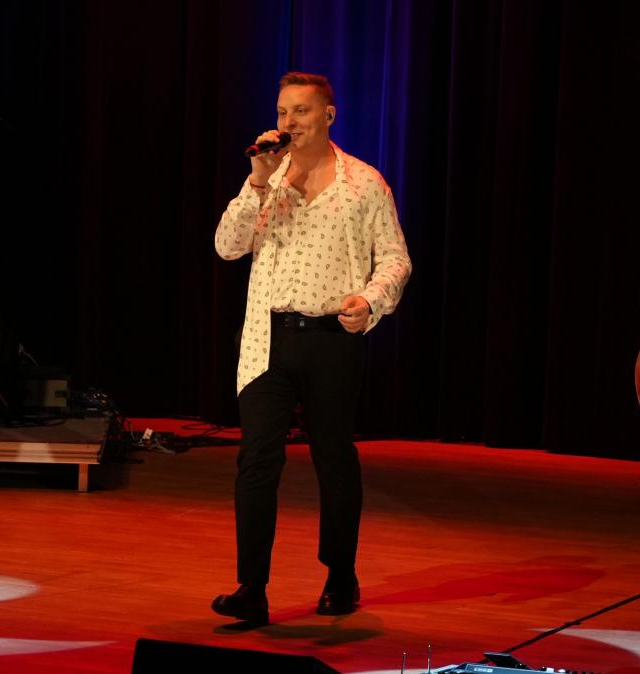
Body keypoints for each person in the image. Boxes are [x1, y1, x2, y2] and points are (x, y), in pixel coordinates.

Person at [211, 72, 412, 624]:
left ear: (328, 115)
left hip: (330, 339)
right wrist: (256, 181)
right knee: (257, 460)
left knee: (334, 458)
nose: (288, 123)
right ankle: (252, 588)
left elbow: (395, 257)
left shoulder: (364, 183)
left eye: (300, 111)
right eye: (282, 112)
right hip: (267, 339)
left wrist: (370, 301)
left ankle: (340, 577)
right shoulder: (268, 179)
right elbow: (227, 246)